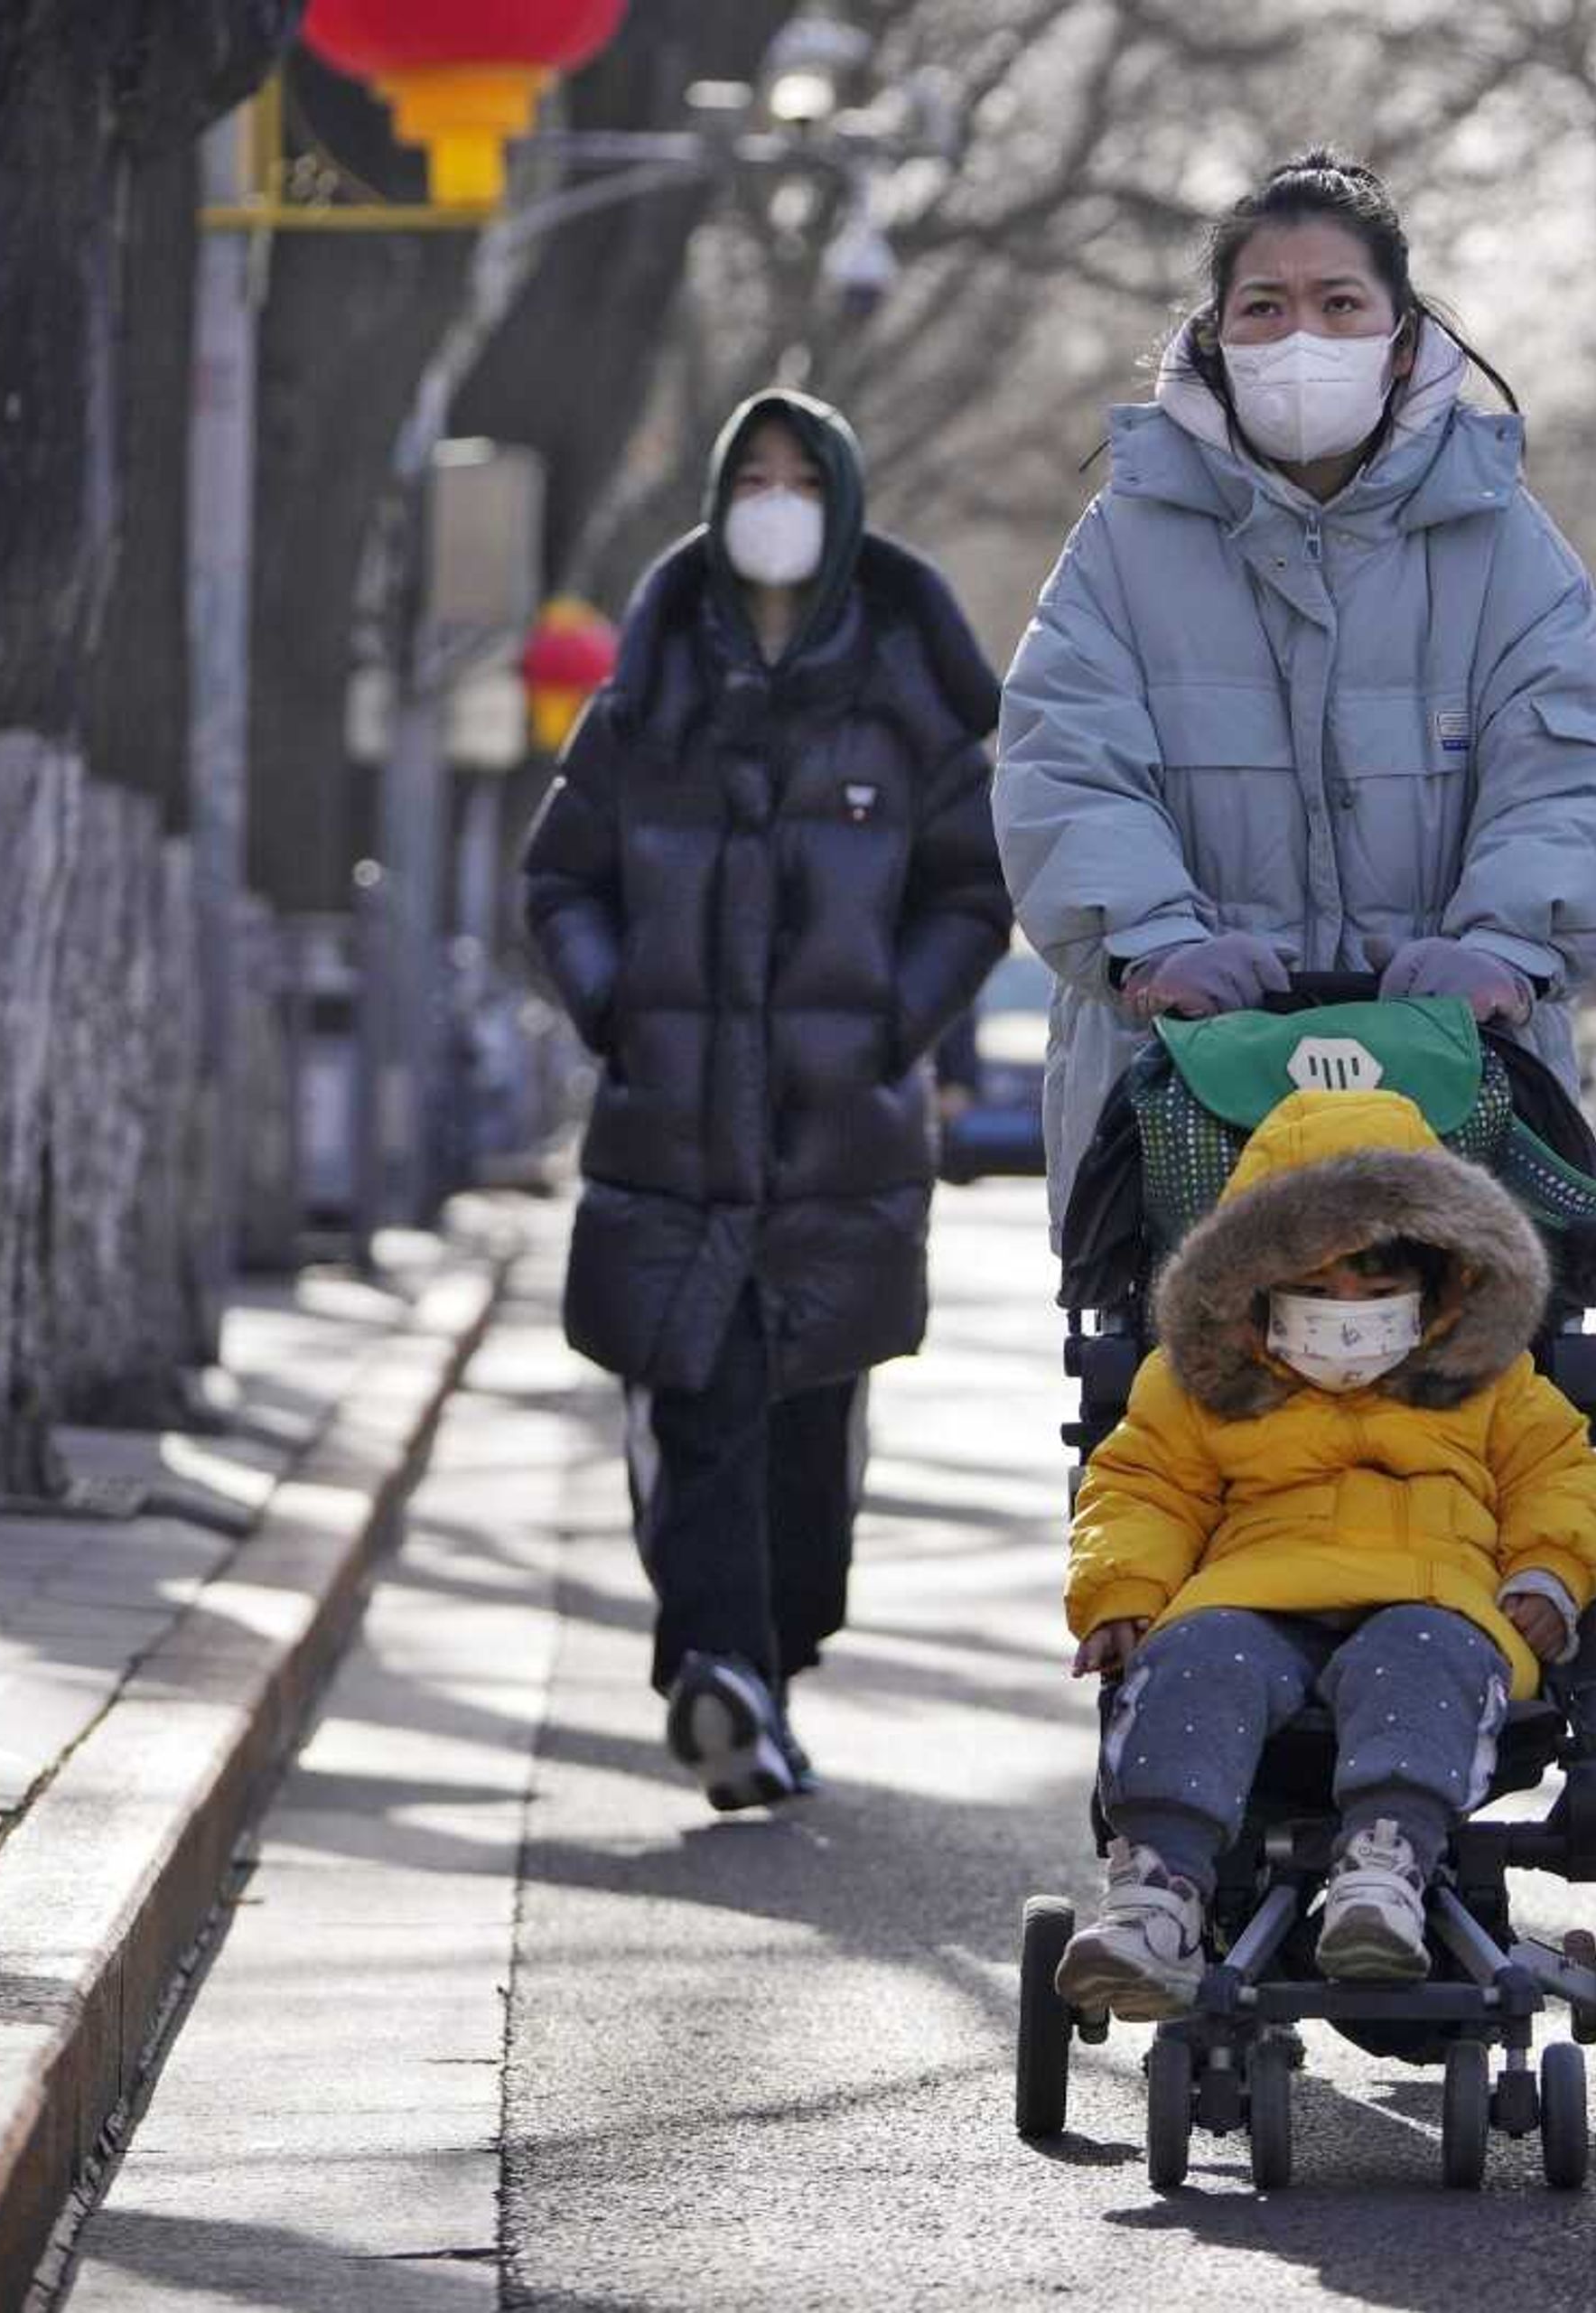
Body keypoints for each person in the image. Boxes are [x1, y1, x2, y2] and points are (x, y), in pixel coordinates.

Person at [994, 151, 1596, 1230]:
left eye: (1339, 302)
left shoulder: (1505, 550)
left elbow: (1576, 775)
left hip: (1460, 1114)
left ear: (1400, 344)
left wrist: (1503, 947)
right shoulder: (1121, 549)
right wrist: (1152, 941)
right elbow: (1063, 768)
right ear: (1214, 336)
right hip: (1184, 1125)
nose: (1301, 335)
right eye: (1265, 305)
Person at [523, 389, 1010, 1812]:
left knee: (806, 1445)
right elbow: (561, 878)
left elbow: (974, 892)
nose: (778, 497)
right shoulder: (654, 686)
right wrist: (618, 1002)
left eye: (805, 475)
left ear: (844, 501)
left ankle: (767, 1667)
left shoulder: (907, 701)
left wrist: (891, 1026)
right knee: (701, 1408)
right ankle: (717, 1673)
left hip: (839, 1138)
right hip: (672, 1131)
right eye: (756, 473)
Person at [1050, 1086, 1596, 2015]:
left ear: (1441, 1275)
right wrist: (1120, 1590)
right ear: (1255, 1280)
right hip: (1254, 1592)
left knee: (1419, 1653)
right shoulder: (1203, 1379)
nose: (1347, 1304)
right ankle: (1157, 1887)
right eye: (1316, 1283)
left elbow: (1558, 1474)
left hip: (1437, 1595)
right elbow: (1143, 1485)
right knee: (1196, 1655)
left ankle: (1382, 1868)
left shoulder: (1490, 1379)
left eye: (1377, 1280)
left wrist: (1549, 1570)